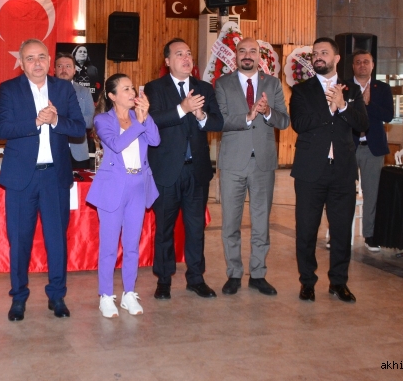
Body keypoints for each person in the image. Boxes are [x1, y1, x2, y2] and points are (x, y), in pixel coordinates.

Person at [0, 39, 86, 321]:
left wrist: (55, 120)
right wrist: (37, 121)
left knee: (57, 240)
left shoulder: (63, 88)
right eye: (30, 58)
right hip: (21, 178)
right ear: (21, 63)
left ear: (49, 61)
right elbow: (3, 128)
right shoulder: (9, 88)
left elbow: (79, 127)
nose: (37, 63)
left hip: (54, 177)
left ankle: (57, 296)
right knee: (19, 241)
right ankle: (18, 297)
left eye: (42, 57)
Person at [290, 37, 368, 304]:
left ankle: (339, 282)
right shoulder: (302, 90)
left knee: (342, 230)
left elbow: (362, 123)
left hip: (343, 172)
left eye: (324, 52)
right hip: (310, 172)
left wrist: (343, 106)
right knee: (306, 230)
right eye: (315, 53)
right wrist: (329, 109)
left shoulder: (352, 90)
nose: (318, 57)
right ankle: (307, 282)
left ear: (336, 58)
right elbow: (299, 123)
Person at [145, 38, 224, 300]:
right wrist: (183, 108)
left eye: (189, 53)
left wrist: (201, 116)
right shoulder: (155, 88)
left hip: (197, 171)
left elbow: (218, 122)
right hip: (167, 171)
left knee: (196, 228)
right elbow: (152, 120)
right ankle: (163, 280)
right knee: (164, 229)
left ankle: (196, 278)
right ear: (167, 61)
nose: (186, 58)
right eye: (179, 54)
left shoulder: (203, 88)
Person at [214, 37, 290, 296]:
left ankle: (258, 274)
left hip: (263, 164)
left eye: (252, 51)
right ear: (235, 55)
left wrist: (267, 112)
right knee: (230, 223)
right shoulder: (223, 83)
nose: (247, 55)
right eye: (242, 51)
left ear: (260, 56)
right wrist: (248, 116)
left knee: (261, 223)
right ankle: (234, 273)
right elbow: (220, 120)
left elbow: (284, 121)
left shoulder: (273, 84)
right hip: (232, 163)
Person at [87, 74, 160, 318]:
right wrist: (139, 123)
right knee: (109, 246)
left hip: (138, 185)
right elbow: (117, 145)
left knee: (131, 245)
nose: (132, 93)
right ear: (112, 96)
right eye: (126, 89)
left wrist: (145, 116)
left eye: (132, 88)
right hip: (112, 187)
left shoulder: (139, 116)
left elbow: (155, 140)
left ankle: (129, 293)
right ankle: (106, 295)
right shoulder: (103, 120)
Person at [346, 50, 394, 252]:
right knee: (342, 192)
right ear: (353, 66)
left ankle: (370, 235)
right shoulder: (344, 86)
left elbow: (389, 115)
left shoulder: (382, 88)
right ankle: (339, 234)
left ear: (373, 65)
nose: (362, 65)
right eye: (358, 62)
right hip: (348, 146)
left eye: (366, 62)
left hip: (373, 148)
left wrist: (368, 104)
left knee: (372, 194)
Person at [55, 52, 95, 169]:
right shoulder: (45, 91)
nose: (64, 70)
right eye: (60, 66)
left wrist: (66, 118)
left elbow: (91, 121)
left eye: (68, 66)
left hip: (78, 153)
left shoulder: (84, 92)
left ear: (74, 70)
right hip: (52, 152)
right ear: (54, 70)